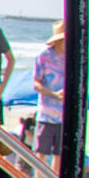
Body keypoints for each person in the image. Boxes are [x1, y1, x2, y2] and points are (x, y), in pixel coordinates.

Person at [34, 21, 67, 159]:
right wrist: (54, 94)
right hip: (47, 114)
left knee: (59, 153)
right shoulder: (44, 57)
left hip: (64, 114)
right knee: (42, 151)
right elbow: (36, 84)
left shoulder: (70, 57)